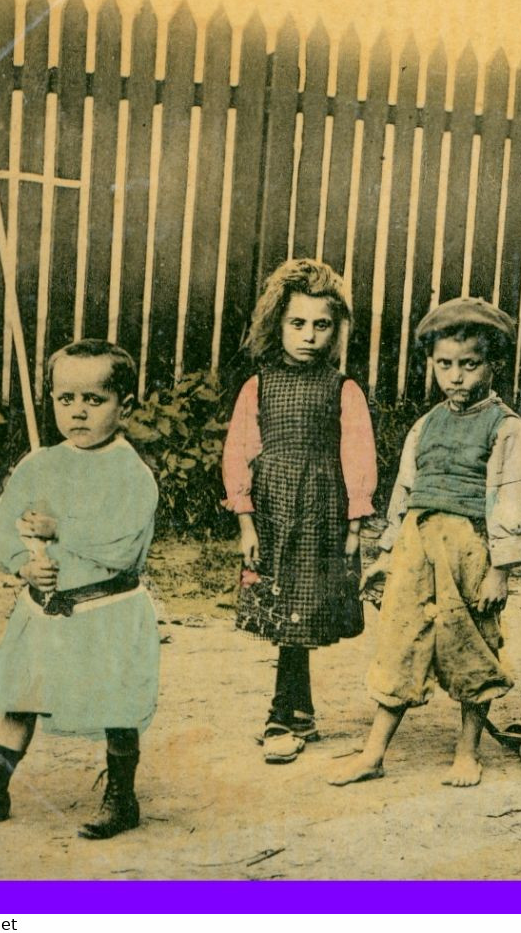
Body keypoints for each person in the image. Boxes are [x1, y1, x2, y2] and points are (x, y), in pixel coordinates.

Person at [0, 340, 160, 839]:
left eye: (94, 400)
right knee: (21, 693)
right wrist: (23, 565)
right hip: (46, 607)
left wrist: (62, 530)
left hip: (108, 609)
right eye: (65, 399)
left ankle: (122, 795)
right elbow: (1, 527)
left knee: (117, 704)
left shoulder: (131, 473)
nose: (77, 411)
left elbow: (121, 545)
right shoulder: (40, 464)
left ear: (124, 407)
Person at [331, 298, 521, 788]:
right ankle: (373, 752)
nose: (456, 377)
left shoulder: (509, 430)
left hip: (468, 549)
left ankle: (467, 752)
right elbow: (405, 491)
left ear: (495, 364)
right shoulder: (425, 425)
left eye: (470, 365)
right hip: (416, 546)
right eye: (444, 364)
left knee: (471, 646)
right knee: (401, 641)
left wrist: (500, 571)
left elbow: (513, 501)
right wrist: (385, 554)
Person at [222, 259, 376, 764]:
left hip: (320, 511)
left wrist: (355, 525)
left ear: (335, 330)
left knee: (304, 610)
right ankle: (296, 708)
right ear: (278, 324)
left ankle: (283, 713)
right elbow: (239, 452)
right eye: (297, 324)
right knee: (282, 606)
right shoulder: (257, 386)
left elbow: (357, 455)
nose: (309, 336)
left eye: (321, 325)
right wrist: (245, 520)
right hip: (271, 510)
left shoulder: (342, 389)